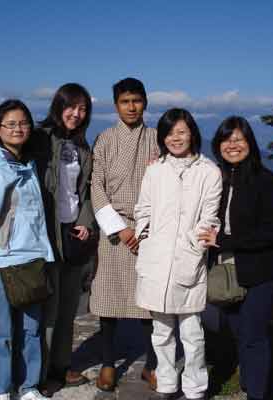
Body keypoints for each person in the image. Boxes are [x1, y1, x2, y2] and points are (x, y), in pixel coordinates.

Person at [0, 84, 96, 396]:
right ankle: (22, 380)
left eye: (83, 109)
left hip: (62, 238)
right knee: (34, 317)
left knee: (59, 312)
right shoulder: (38, 137)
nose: (76, 114)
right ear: (58, 106)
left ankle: (53, 371)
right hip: (36, 240)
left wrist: (85, 220)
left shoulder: (83, 147)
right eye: (71, 107)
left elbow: (85, 190)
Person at [0, 99, 54, 400]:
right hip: (1, 260)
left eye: (23, 123)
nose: (18, 128)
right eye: (11, 124)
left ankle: (28, 387)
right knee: (0, 332)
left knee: (32, 330)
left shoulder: (28, 162)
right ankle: (0, 389)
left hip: (31, 258)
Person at [134, 109, 222, 400]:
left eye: (181, 132)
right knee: (161, 332)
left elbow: (210, 217)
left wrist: (193, 246)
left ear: (192, 133)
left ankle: (195, 387)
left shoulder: (208, 171)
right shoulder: (155, 169)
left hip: (188, 261)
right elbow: (143, 209)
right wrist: (145, 237)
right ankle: (168, 384)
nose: (175, 138)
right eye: (170, 133)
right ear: (162, 137)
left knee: (192, 332)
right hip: (157, 261)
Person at [199, 116, 273, 400]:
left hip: (260, 270)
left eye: (239, 138)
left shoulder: (265, 180)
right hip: (226, 271)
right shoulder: (217, 178)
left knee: (253, 336)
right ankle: (250, 382)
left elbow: (270, 233)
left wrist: (222, 241)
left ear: (250, 142)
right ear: (218, 145)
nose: (233, 145)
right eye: (227, 139)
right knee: (237, 332)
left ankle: (256, 393)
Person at [90, 77, 159, 391]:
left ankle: (152, 364)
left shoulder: (158, 138)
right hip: (114, 231)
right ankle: (107, 362)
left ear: (145, 102)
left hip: (149, 229)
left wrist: (141, 230)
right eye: (125, 101)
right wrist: (121, 228)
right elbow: (96, 187)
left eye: (137, 100)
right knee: (109, 300)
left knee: (149, 304)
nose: (132, 107)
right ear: (116, 105)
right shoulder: (104, 139)